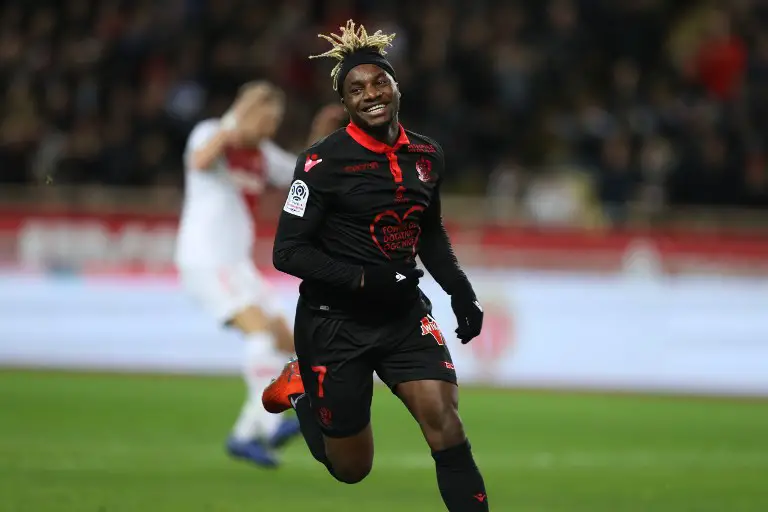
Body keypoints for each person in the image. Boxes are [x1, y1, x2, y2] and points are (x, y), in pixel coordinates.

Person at [262, 21, 489, 510]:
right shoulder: (321, 165)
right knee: (352, 468)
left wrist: (459, 290)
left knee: (445, 423)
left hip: (403, 317)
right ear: (343, 104)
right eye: (356, 89)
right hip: (334, 323)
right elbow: (288, 252)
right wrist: (366, 277)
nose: (371, 94)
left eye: (379, 81)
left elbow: (427, 230)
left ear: (396, 85)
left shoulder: (427, 155)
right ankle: (301, 389)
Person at [175, 81, 345, 468]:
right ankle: (267, 426)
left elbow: (306, 172)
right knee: (260, 332)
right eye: (267, 118)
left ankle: (245, 433)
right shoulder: (211, 134)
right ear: (248, 113)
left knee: (289, 340)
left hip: (236, 264)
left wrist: (322, 136)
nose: (272, 127)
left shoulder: (263, 156)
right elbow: (199, 162)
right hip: (206, 258)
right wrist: (234, 121)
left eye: (276, 121)